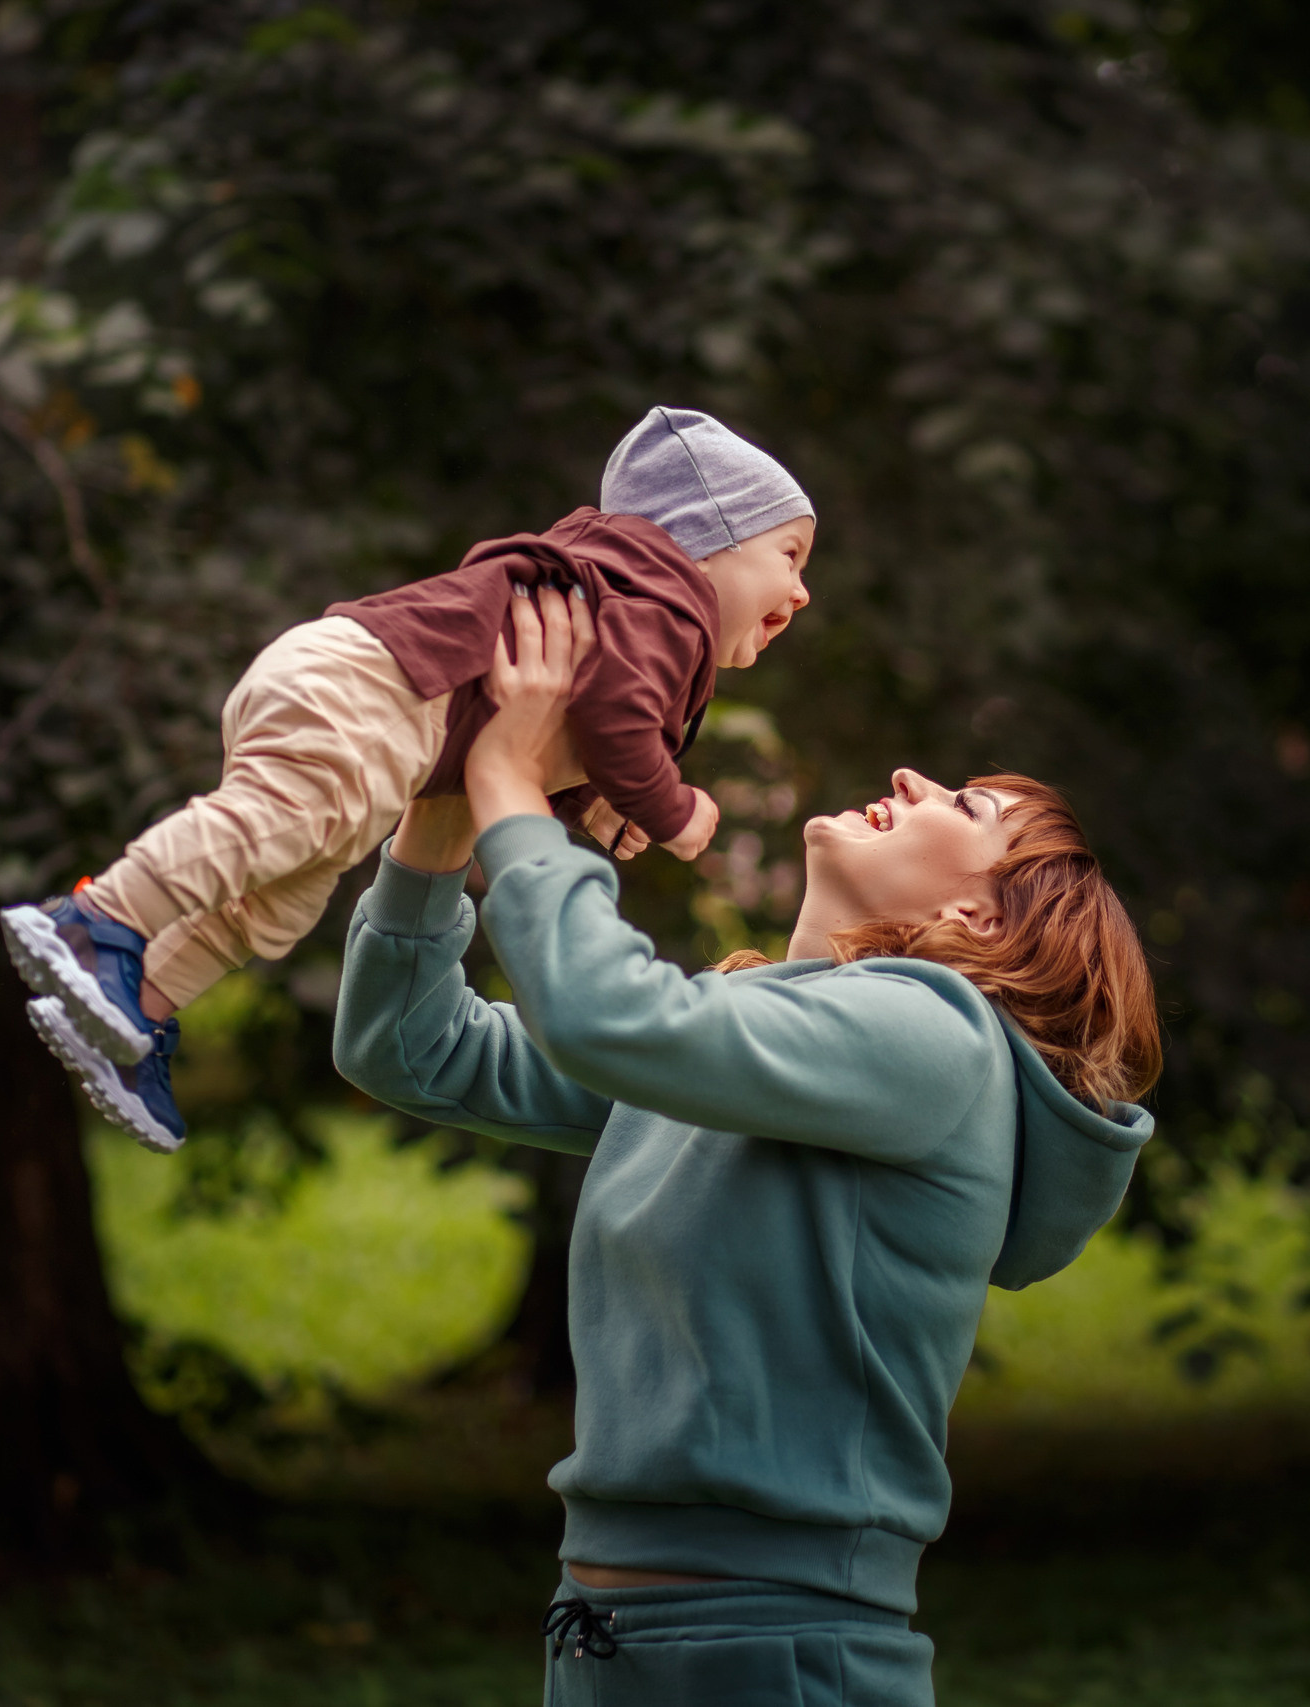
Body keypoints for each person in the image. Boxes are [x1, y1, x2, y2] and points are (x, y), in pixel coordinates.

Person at [334, 587, 1162, 1704]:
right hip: (606, 1642)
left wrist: (511, 783)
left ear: (980, 921)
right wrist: (442, 811)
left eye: (964, 806)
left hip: (778, 1654)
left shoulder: (934, 1041)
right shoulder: (750, 1048)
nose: (913, 778)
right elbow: (409, 1047)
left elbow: (607, 1015)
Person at [0, 407, 817, 1151]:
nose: (803, 590)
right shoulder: (667, 596)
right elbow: (617, 717)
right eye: (790, 555)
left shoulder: (629, 597)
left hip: (385, 711)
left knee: (277, 900)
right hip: (378, 691)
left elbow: (563, 719)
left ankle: (133, 1011)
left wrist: (589, 804)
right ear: (710, 538)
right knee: (280, 822)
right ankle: (99, 918)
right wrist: (673, 809)